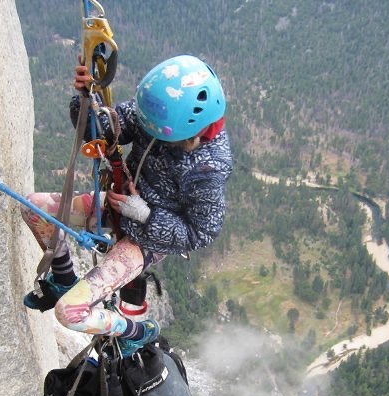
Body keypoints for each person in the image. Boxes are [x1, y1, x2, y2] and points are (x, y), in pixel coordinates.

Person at [21, 55, 233, 357]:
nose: (149, 131)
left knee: (70, 313)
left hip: (147, 239)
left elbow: (202, 232)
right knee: (34, 208)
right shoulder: (162, 112)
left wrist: (145, 215)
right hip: (120, 203)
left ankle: (138, 332)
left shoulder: (206, 168)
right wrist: (86, 100)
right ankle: (63, 279)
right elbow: (107, 130)